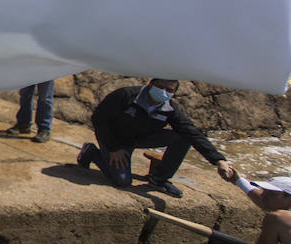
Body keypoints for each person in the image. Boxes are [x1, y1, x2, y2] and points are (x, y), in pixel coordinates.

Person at [77, 79, 235, 198]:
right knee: (122, 181)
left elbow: (191, 132)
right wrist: (112, 148)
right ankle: (91, 152)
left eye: (169, 89)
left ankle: (159, 179)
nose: (164, 91)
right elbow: (99, 119)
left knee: (182, 137)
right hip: (116, 140)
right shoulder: (126, 95)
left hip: (141, 138)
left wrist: (218, 160)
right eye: (161, 86)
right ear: (151, 84)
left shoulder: (170, 108)